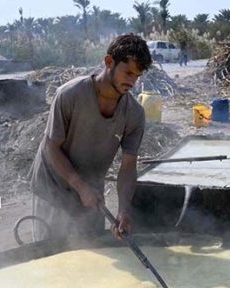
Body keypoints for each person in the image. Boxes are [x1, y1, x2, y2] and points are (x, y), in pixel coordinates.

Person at [28, 34, 152, 242]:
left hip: (92, 189)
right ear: (109, 62)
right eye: (128, 72)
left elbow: (128, 166)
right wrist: (80, 186)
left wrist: (123, 211)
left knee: (91, 252)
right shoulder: (70, 95)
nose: (131, 82)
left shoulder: (134, 114)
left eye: (136, 76)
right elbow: (52, 147)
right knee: (51, 254)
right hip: (53, 186)